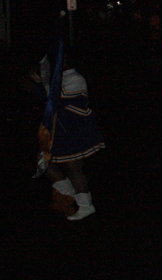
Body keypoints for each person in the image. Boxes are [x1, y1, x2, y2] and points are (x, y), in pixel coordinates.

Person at [25, 52, 105, 220]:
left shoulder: (76, 78)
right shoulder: (57, 78)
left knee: (74, 168)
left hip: (75, 132)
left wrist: (39, 85)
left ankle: (85, 205)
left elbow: (54, 100)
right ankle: (71, 195)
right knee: (44, 164)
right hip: (59, 131)